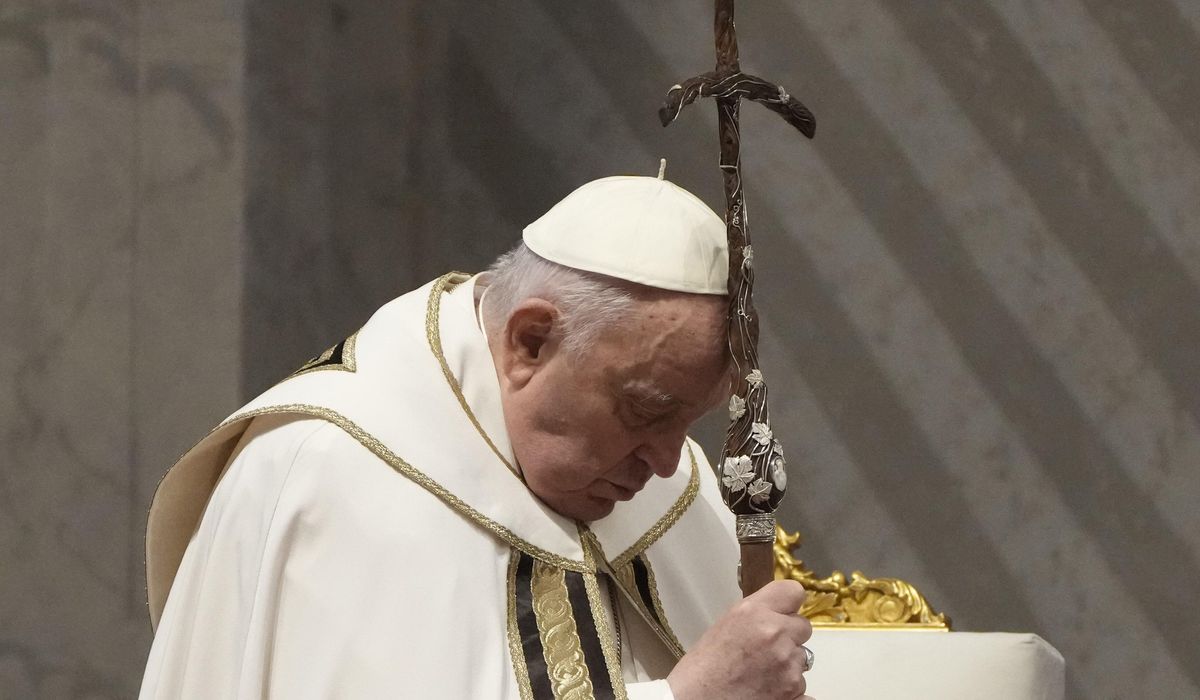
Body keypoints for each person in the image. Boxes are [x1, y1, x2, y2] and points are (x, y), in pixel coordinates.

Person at [140, 175, 814, 699]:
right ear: (531, 341)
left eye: (688, 422)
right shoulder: (328, 475)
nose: (669, 464)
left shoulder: (673, 496)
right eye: (644, 412)